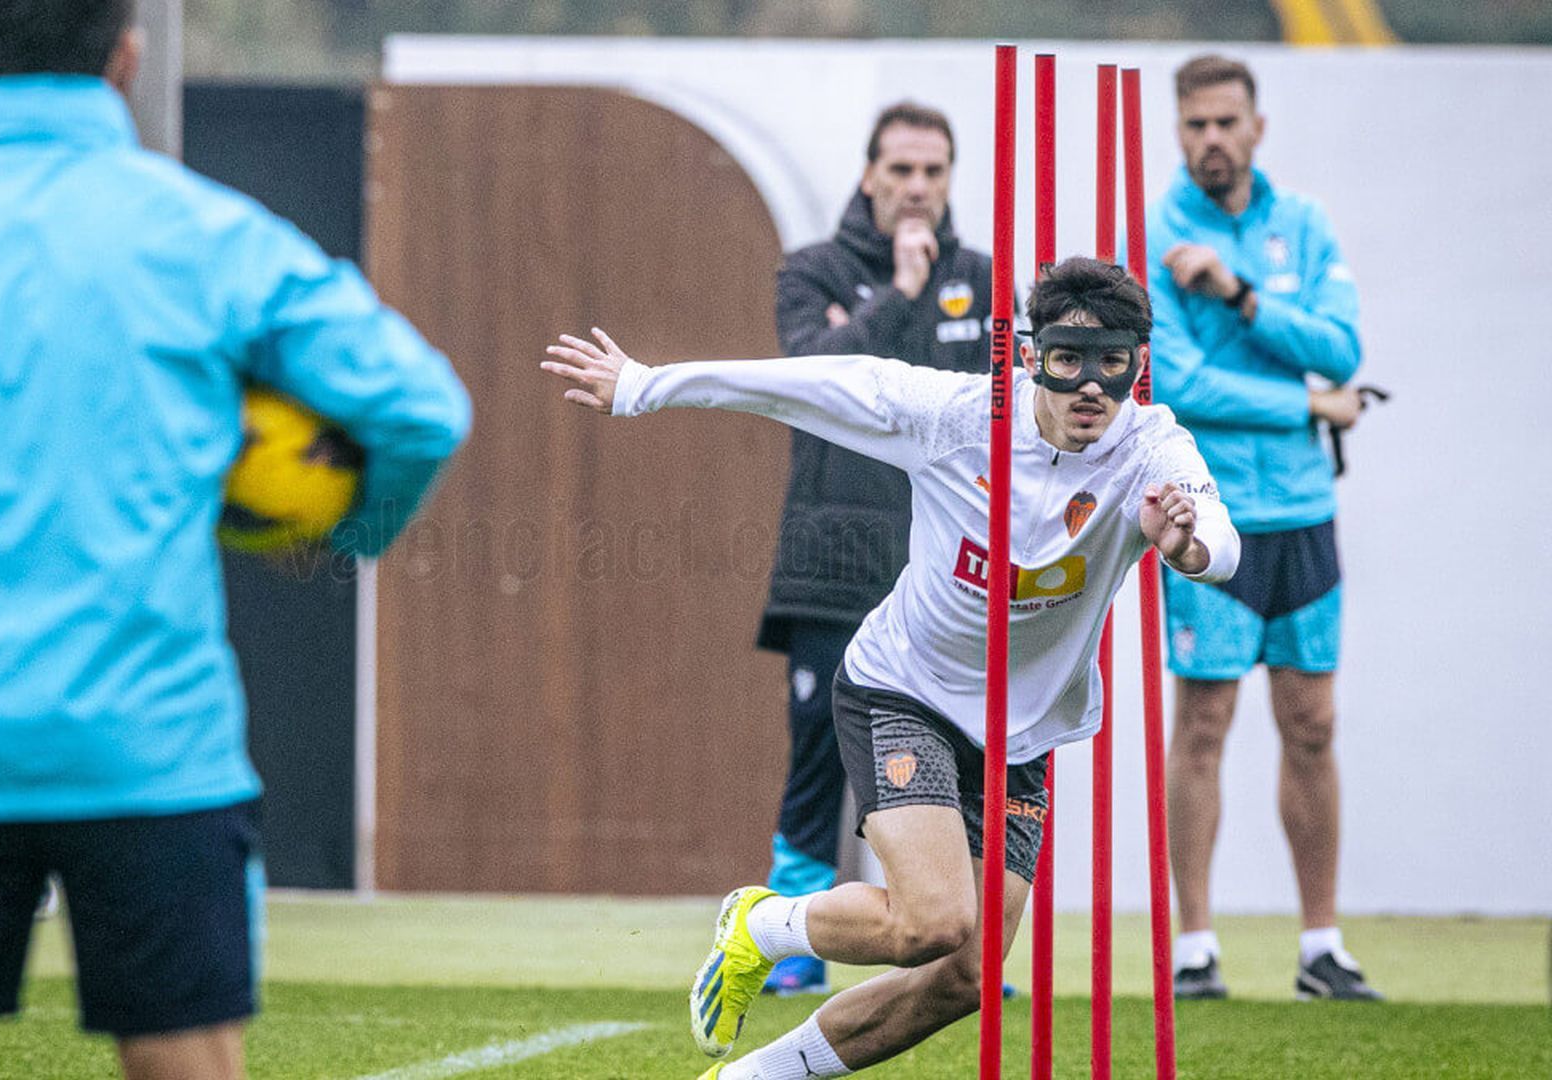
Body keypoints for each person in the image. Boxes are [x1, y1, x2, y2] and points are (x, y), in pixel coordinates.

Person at [0, 3, 471, 1079]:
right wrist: (349, 528)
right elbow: (423, 411)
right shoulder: (207, 237)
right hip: (151, 750)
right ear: (126, 57)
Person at [541, 257, 1238, 1079]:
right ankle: (762, 926)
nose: (1091, 386)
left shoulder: (1150, 446)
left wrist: (1184, 542)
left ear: (1138, 364)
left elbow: (1219, 546)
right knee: (933, 922)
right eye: (1067, 360)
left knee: (965, 976)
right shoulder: (952, 417)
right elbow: (813, 384)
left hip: (1021, 731)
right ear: (1027, 356)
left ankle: (749, 1078)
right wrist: (645, 385)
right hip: (904, 690)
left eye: (1113, 363)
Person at [1148, 54, 1379, 1002]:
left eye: (1225, 123)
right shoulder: (1159, 232)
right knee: (1203, 722)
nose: (1211, 139)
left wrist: (1240, 295)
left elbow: (1343, 347)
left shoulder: (1303, 224)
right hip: (1210, 513)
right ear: (1178, 129)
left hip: (1304, 516)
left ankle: (1321, 944)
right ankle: (1195, 949)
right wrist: (1312, 406)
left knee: (1312, 725)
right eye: (1195, 124)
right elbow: (1181, 383)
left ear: (1256, 127)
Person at [756, 101, 994, 997]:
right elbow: (816, 383)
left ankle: (960, 941)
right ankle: (791, 944)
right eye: (900, 171)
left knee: (963, 752)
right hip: (835, 561)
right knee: (818, 747)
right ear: (869, 176)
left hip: (947, 575)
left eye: (933, 172)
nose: (917, 188)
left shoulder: (981, 279)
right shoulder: (812, 271)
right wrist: (898, 296)